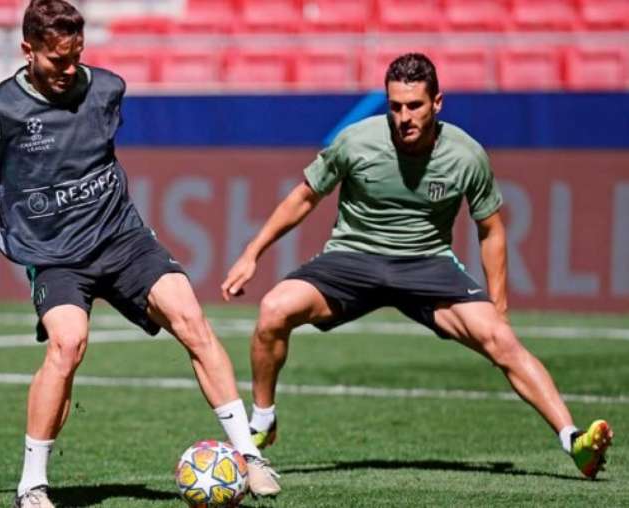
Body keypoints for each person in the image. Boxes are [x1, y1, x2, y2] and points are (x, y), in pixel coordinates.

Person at [0, 1, 280, 506]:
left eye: (76, 55)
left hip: (122, 240)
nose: (68, 69)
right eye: (57, 60)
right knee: (67, 344)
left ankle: (249, 457)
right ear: (27, 50)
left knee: (191, 317)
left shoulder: (106, 89)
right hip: (55, 256)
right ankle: (32, 485)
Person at [222, 53, 612, 480]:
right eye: (395, 106)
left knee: (500, 339)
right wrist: (252, 253)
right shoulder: (355, 142)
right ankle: (263, 420)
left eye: (415, 106)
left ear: (437, 103)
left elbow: (491, 229)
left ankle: (574, 441)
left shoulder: (467, 155)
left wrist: (498, 305)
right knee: (273, 311)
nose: (404, 116)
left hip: (427, 265)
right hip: (353, 258)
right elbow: (303, 197)